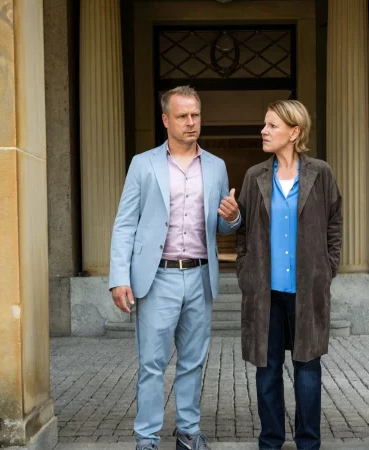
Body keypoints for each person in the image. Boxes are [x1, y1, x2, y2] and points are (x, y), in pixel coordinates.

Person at [108, 85, 241, 450]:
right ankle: (147, 438)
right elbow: (125, 223)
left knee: (193, 362)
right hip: (157, 277)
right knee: (151, 363)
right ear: (166, 120)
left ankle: (188, 433)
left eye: (195, 115)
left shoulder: (216, 166)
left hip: (200, 275)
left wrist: (233, 217)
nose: (190, 122)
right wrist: (119, 277)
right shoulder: (143, 164)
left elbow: (222, 225)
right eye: (182, 116)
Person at [235, 100, 342, 450]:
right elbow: (243, 230)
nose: (263, 131)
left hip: (306, 290)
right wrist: (245, 272)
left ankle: (308, 442)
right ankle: (271, 440)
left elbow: (334, 222)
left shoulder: (320, 173)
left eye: (272, 126)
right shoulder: (254, 177)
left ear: (294, 132)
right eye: (264, 125)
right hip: (264, 292)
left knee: (307, 371)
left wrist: (328, 268)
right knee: (266, 373)